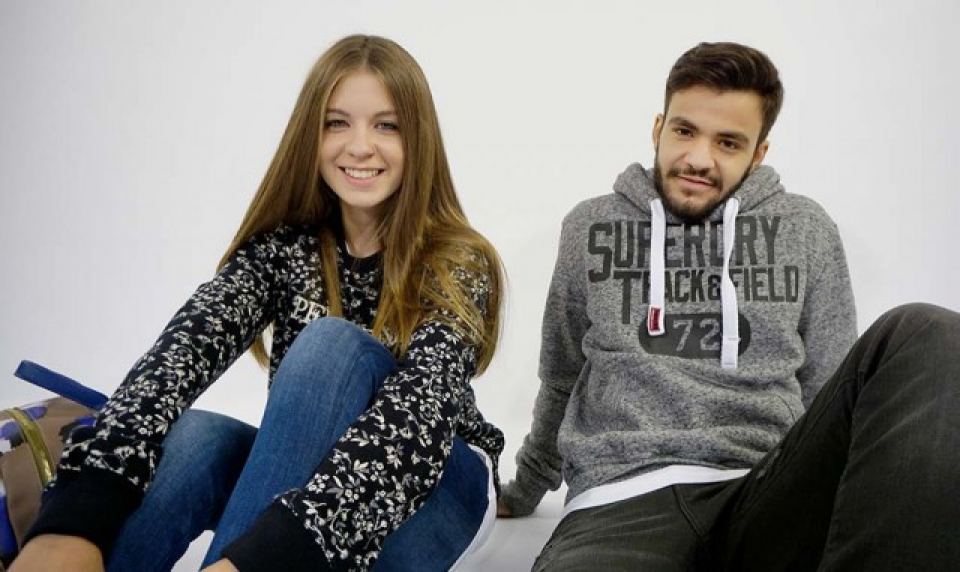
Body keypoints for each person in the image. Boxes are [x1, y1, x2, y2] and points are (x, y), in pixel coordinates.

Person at [11, 34, 504, 572]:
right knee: (196, 436)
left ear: (419, 139)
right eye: (336, 123)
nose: (360, 146)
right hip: (313, 478)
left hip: (437, 480)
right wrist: (75, 517)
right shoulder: (282, 249)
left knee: (330, 345)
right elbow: (181, 353)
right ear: (310, 136)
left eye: (387, 126)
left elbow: (419, 416)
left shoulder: (456, 260)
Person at [498, 41, 960, 570]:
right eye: (684, 131)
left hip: (766, 490)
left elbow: (832, 392)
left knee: (929, 331)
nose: (699, 158)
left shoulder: (806, 228)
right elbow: (562, 375)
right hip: (620, 502)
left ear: (759, 153)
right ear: (658, 128)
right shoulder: (591, 226)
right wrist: (526, 487)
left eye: (728, 143)